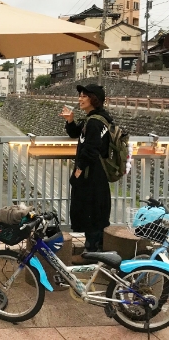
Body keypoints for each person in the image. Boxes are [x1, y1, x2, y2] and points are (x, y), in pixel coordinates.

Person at [60, 84, 112, 265]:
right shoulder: (94, 119)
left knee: (92, 212)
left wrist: (78, 171)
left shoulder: (95, 122)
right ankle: (93, 250)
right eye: (80, 95)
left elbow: (90, 149)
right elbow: (77, 133)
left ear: (94, 99)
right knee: (94, 211)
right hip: (95, 175)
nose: (80, 99)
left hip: (93, 175)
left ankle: (91, 254)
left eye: (84, 96)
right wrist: (70, 120)